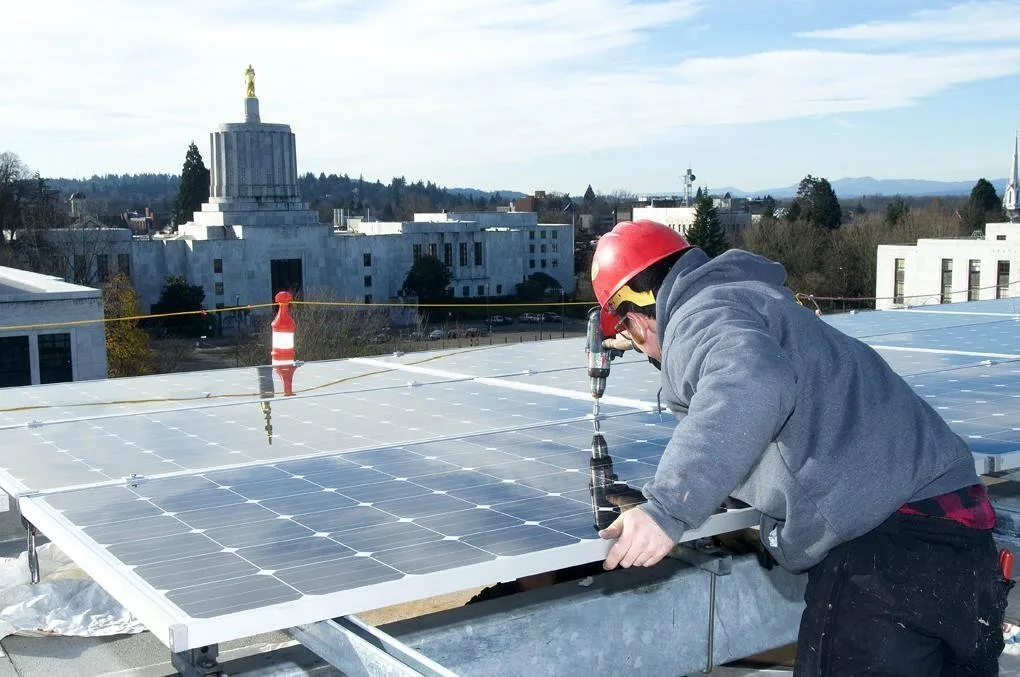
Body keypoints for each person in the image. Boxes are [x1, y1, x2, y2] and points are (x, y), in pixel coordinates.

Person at [590, 219, 1011, 676]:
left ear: (637, 311)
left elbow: (752, 384)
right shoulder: (758, 302)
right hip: (963, 544)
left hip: (886, 558)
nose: (649, 353)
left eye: (631, 335)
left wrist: (668, 508)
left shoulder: (698, 315)